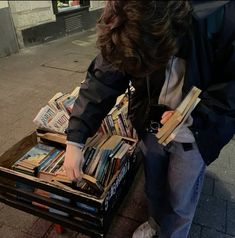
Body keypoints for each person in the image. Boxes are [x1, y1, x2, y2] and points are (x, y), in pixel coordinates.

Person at [63, 1, 235, 237]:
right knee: (153, 185)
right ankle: (155, 224)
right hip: (150, 122)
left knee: (180, 198)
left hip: (196, 132)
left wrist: (198, 115)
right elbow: (104, 77)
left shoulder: (223, 16)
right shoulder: (130, 15)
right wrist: (76, 138)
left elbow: (231, 88)